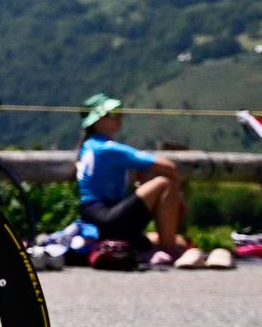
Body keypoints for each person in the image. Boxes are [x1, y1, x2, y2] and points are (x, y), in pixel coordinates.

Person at [75, 94, 231, 269]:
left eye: (119, 112)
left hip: (93, 217)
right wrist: (175, 198)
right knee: (165, 182)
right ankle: (169, 249)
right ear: (97, 121)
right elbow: (168, 167)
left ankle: (167, 245)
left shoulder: (88, 146)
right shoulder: (108, 148)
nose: (120, 117)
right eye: (112, 114)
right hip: (107, 217)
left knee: (164, 237)